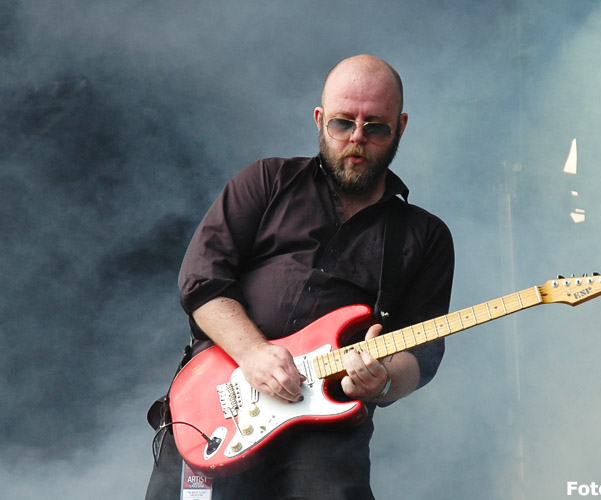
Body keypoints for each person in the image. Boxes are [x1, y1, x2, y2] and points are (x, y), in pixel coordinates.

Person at [145, 54, 455, 499]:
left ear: (400, 127)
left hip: (327, 430)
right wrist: (253, 353)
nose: (357, 138)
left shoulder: (425, 236)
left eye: (376, 127)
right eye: (343, 123)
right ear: (319, 120)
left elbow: (422, 353)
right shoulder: (266, 181)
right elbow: (202, 281)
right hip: (219, 400)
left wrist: (383, 381)